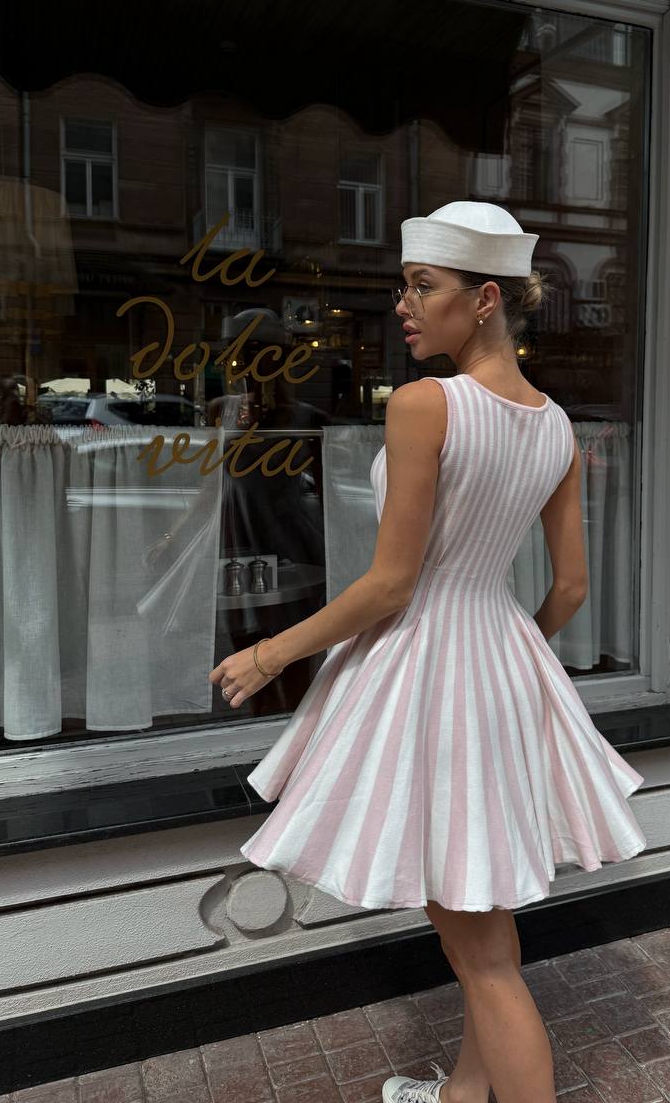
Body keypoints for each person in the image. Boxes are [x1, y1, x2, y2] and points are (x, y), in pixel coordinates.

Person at [209, 200, 647, 1103]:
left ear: (485, 298)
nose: (403, 304)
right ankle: (459, 1096)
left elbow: (391, 585)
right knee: (485, 925)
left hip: (428, 674)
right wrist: (513, 648)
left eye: (423, 285)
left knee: (481, 956)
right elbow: (569, 589)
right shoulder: (558, 425)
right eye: (406, 284)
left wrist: (267, 654)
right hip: (501, 668)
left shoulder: (426, 405)